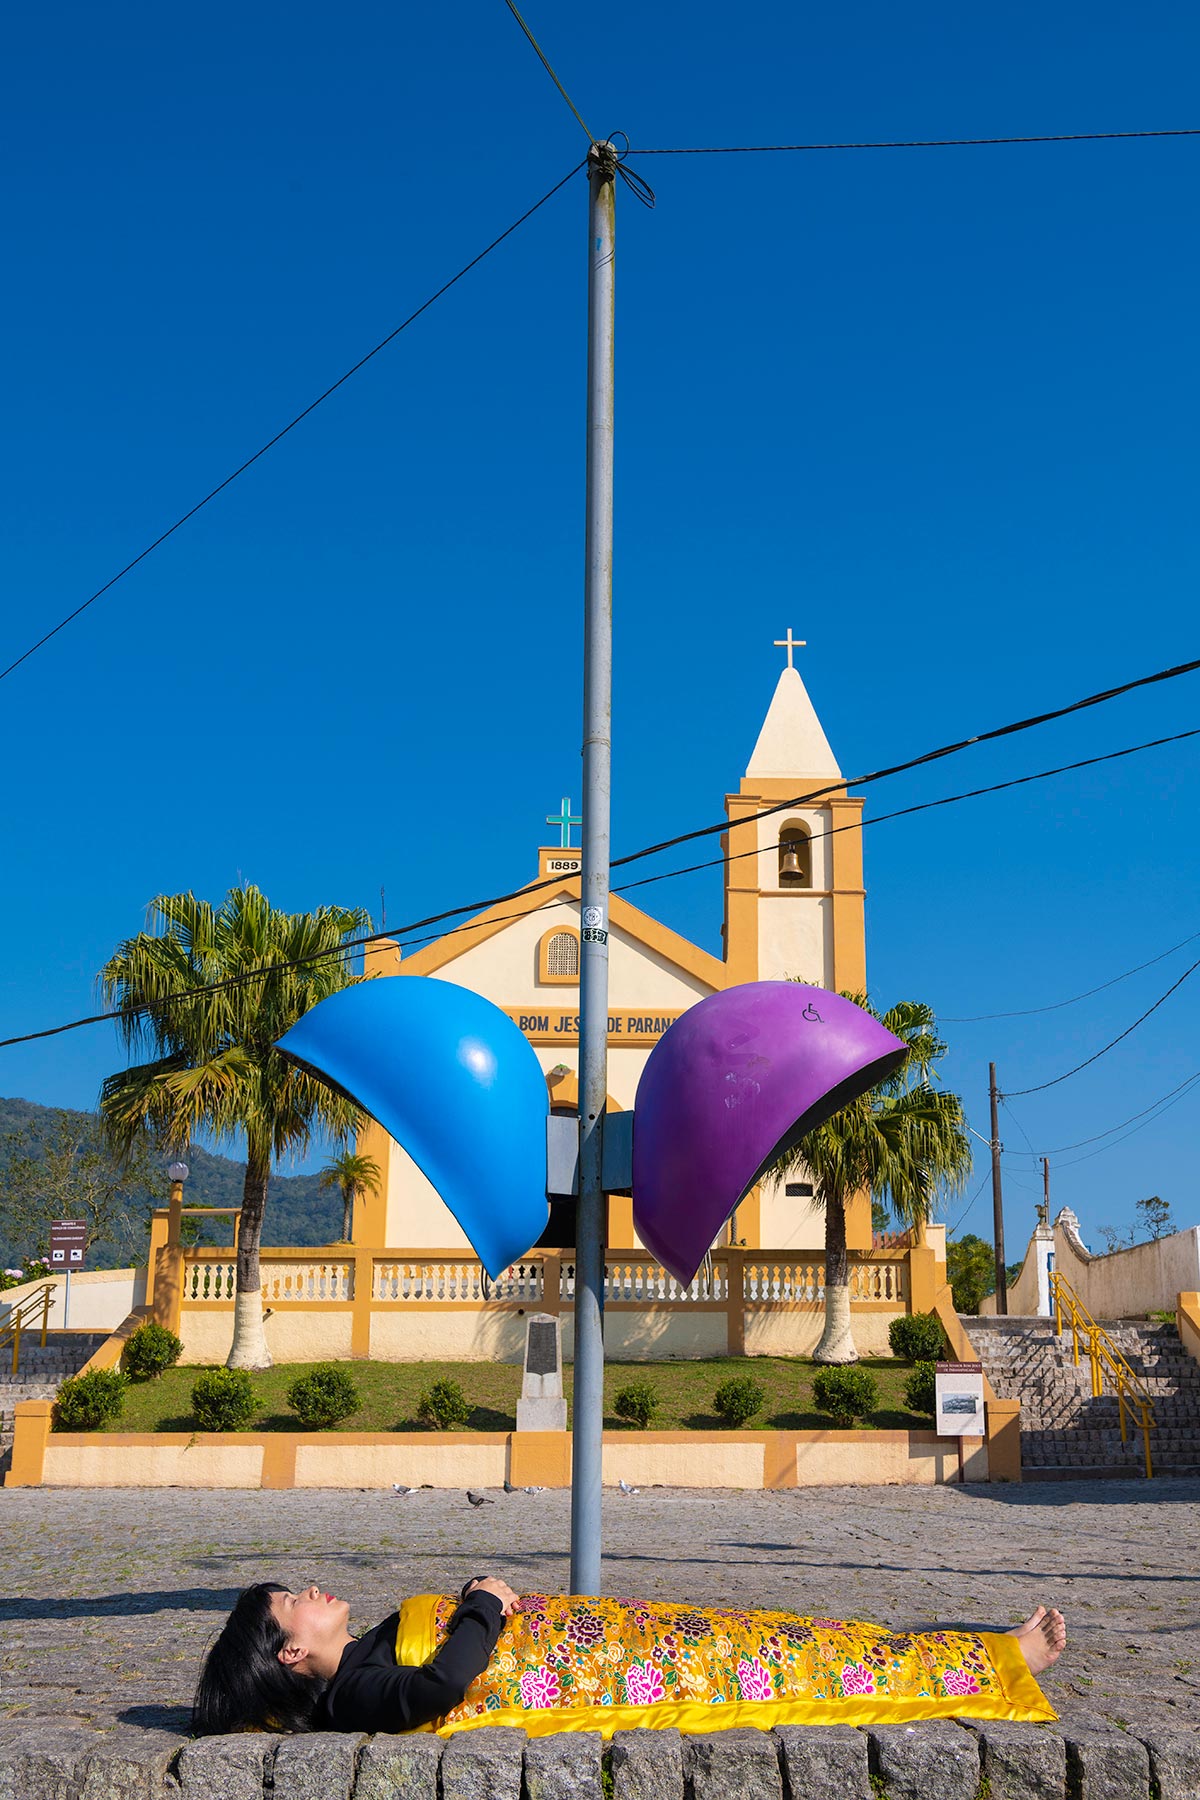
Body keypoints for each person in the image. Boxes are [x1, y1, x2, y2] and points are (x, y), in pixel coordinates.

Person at [193, 1573, 1066, 1739]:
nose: (310, 1589)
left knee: (800, 1641)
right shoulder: (356, 1695)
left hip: (615, 1635)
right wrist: (488, 1606)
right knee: (802, 1666)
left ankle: (979, 1648)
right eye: (292, 1600)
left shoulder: (363, 1655)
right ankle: (1002, 1661)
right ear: (293, 1647)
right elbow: (443, 1688)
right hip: (617, 1668)